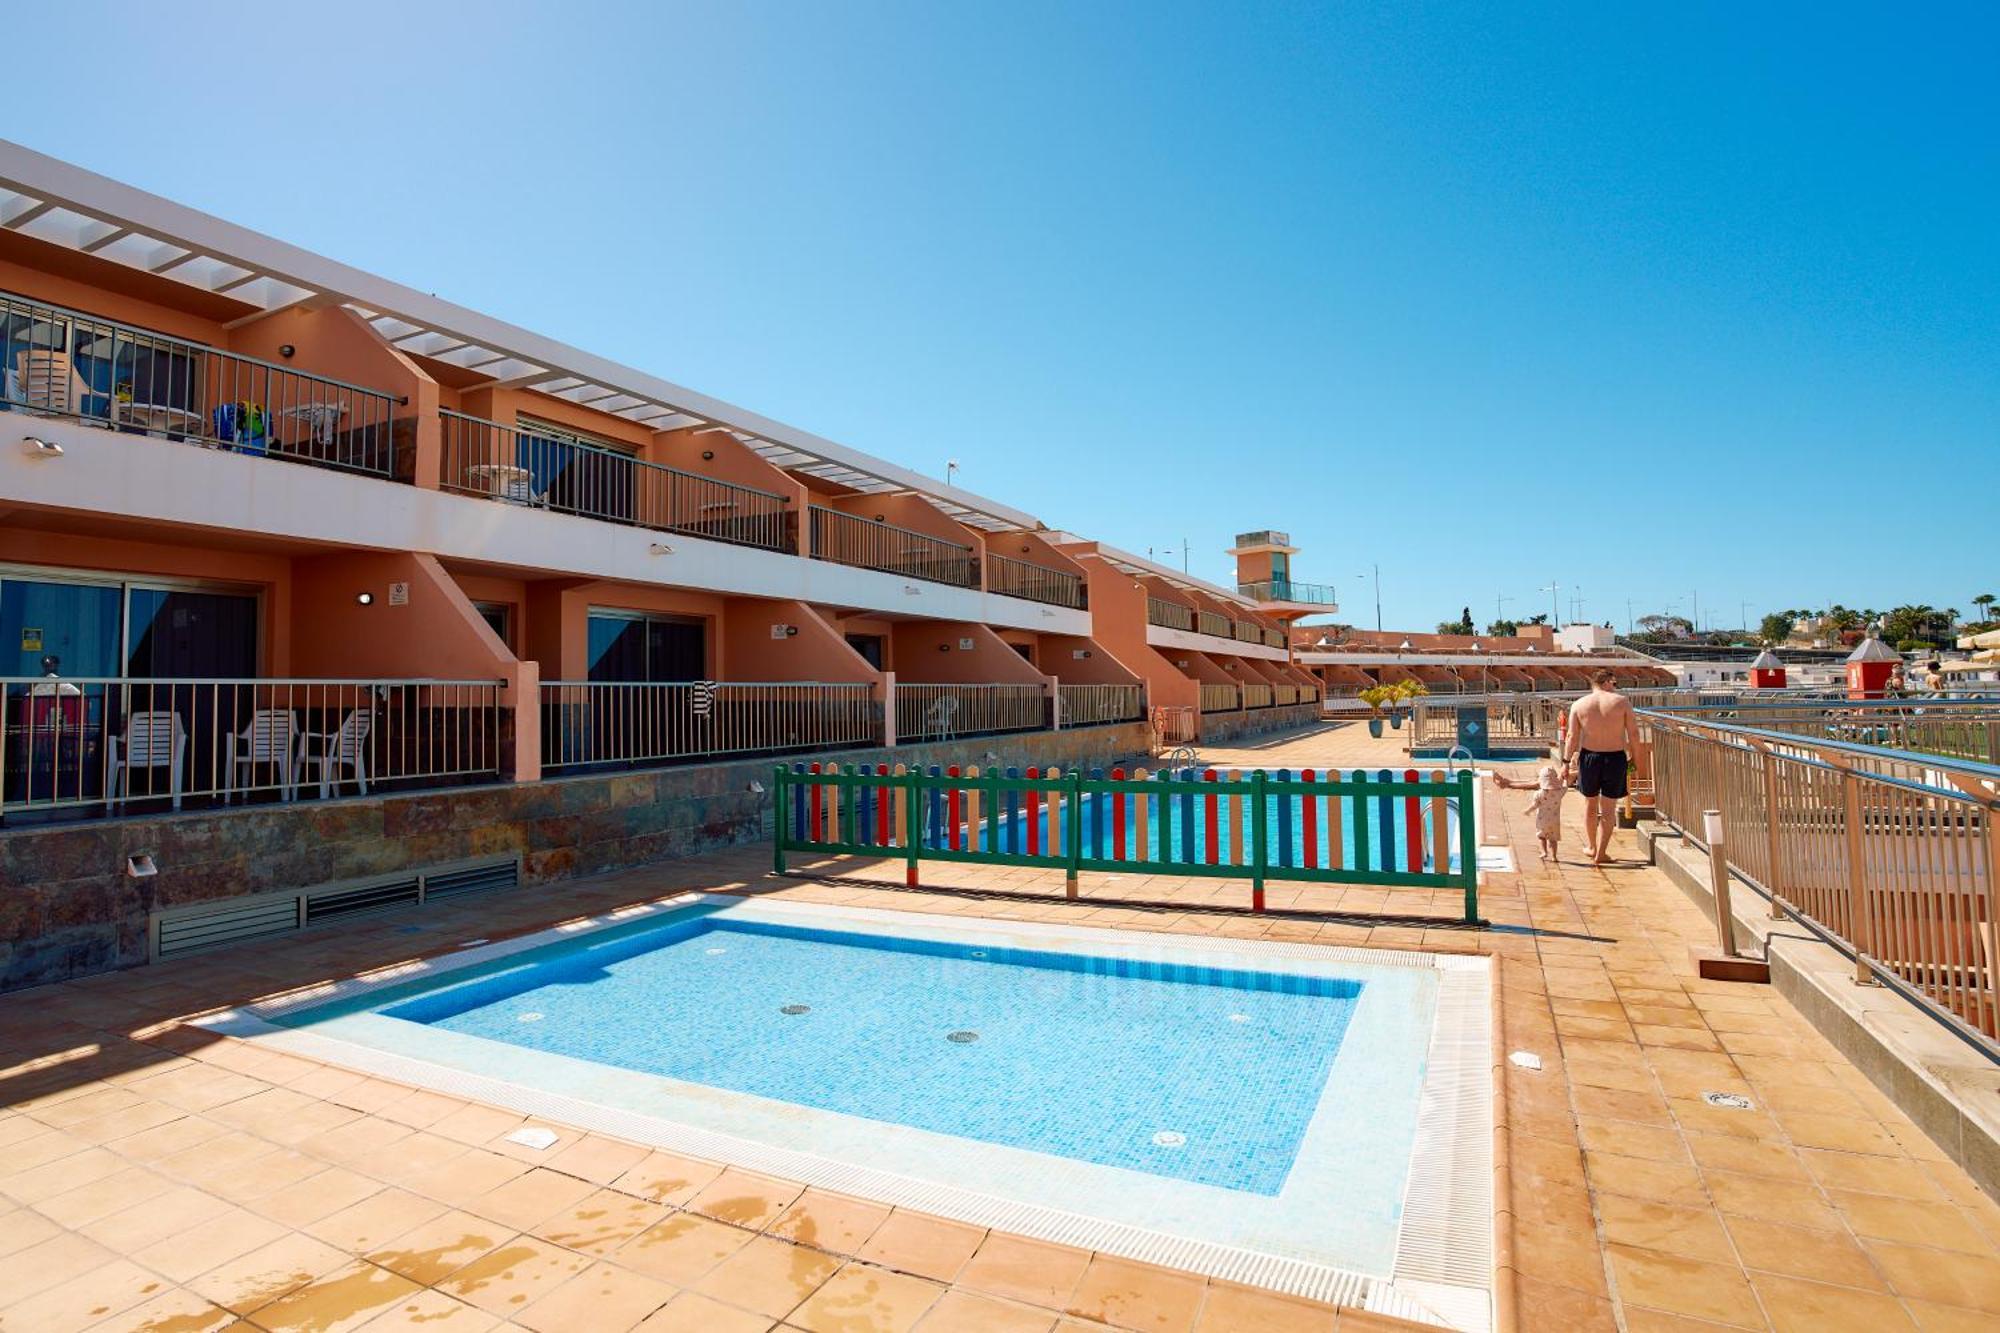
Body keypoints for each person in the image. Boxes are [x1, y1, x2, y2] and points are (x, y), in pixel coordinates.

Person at [1564, 667, 1637, 865]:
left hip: (1590, 758)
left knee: (1590, 805)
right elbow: (1634, 734)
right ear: (1605, 682)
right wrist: (1636, 759)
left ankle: (1591, 846)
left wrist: (1565, 762)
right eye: (1614, 683)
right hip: (1615, 758)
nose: (1615, 687)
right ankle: (1602, 852)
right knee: (1608, 808)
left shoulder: (1579, 704)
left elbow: (1572, 736)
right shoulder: (1622, 702)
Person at [1495, 763, 1567, 862]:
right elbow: (1565, 787)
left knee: (1542, 837)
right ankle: (1554, 856)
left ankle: (1544, 852)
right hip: (1554, 822)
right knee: (1553, 839)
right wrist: (1564, 778)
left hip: (1542, 820)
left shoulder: (1538, 794)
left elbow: (1535, 805)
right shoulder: (1559, 793)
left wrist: (1527, 811)